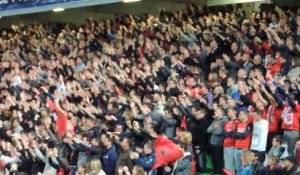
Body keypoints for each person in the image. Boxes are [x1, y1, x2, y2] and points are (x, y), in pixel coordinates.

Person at [231, 110, 253, 174]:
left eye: (241, 114)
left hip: (244, 148)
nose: (239, 116)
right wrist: (240, 134)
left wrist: (238, 134)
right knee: (237, 167)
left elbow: (245, 135)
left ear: (246, 115)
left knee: (245, 166)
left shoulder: (249, 124)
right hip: (236, 147)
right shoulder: (237, 124)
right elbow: (233, 134)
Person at [207, 107, 227, 174]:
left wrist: (214, 129)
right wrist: (214, 127)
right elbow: (208, 130)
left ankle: (219, 172)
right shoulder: (215, 120)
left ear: (221, 112)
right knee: (214, 159)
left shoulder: (224, 120)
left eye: (217, 111)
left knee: (218, 159)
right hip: (212, 142)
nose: (215, 112)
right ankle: (215, 171)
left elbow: (219, 132)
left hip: (219, 143)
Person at [223, 107, 238, 173]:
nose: (228, 113)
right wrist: (228, 133)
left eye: (229, 112)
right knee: (227, 165)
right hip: (225, 144)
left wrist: (228, 133)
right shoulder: (227, 122)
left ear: (235, 112)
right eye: (228, 112)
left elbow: (234, 134)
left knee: (231, 164)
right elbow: (224, 133)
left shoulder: (237, 122)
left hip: (232, 145)